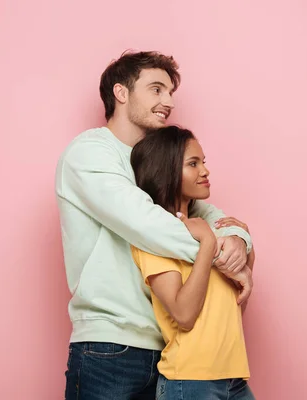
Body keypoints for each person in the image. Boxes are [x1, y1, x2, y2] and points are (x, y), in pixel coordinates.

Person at [55, 50, 253, 399]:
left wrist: (238, 240)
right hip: (109, 347)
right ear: (121, 93)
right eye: (157, 89)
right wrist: (221, 256)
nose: (169, 102)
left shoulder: (152, 163)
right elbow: (149, 225)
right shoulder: (90, 152)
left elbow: (206, 214)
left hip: (168, 348)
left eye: (171, 93)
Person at [130, 125, 256, 400]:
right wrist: (208, 244)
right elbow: (184, 315)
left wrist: (245, 245)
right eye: (193, 163)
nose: (205, 171)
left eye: (203, 162)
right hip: (191, 381)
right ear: (168, 170)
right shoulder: (155, 237)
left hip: (232, 377)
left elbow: (232, 306)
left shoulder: (207, 228)